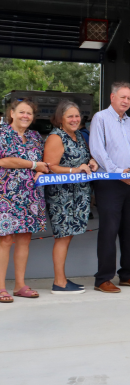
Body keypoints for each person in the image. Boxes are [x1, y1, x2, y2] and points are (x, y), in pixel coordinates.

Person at [89, 82, 130, 294]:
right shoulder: (101, 118)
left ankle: (128, 274)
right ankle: (103, 278)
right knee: (109, 231)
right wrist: (117, 173)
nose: (126, 101)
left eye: (129, 99)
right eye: (122, 97)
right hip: (109, 183)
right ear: (112, 97)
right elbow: (98, 150)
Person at [44, 101, 98, 294]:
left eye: (77, 116)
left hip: (78, 194)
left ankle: (62, 279)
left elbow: (83, 160)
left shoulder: (77, 137)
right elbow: (50, 166)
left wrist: (91, 163)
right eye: (70, 117)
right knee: (62, 237)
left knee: (67, 237)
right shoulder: (56, 137)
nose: (75, 120)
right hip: (62, 196)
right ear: (60, 119)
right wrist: (75, 169)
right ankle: (59, 282)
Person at [0, 98, 49, 303]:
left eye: (29, 113)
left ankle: (20, 285)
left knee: (24, 239)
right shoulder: (2, 133)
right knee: (5, 240)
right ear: (12, 113)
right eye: (21, 112)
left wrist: (41, 171)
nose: (25, 116)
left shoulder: (35, 137)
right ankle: (1, 287)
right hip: (6, 195)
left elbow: (45, 163)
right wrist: (33, 164)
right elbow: (3, 161)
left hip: (30, 195)